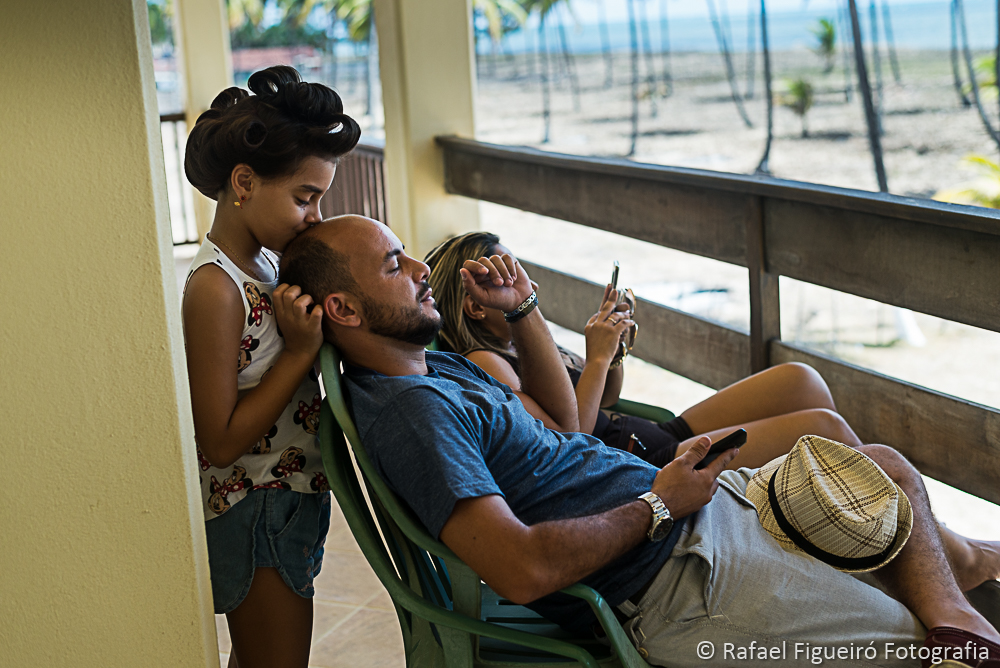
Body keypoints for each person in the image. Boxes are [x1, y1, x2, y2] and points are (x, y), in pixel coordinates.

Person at [280, 216, 1000, 667]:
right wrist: (657, 503)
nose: (416, 270)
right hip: (678, 582)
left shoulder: (434, 365)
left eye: (405, 255)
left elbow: (565, 431)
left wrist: (527, 311)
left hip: (703, 511)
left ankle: (961, 621)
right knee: (909, 642)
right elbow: (522, 570)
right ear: (343, 307)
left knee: (885, 470)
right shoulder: (412, 412)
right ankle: (957, 628)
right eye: (392, 266)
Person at [181, 67, 360, 668]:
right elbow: (221, 439)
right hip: (253, 506)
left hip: (289, 498)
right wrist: (302, 353)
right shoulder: (216, 288)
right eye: (304, 198)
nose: (313, 216)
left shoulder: (264, 267)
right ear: (243, 182)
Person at [425, 231, 861, 469]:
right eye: (511, 277)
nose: (530, 286)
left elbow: (605, 398)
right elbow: (566, 442)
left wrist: (611, 349)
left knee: (800, 380)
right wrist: (595, 357)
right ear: (475, 305)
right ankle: (891, 531)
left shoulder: (521, 341)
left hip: (650, 434)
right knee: (827, 430)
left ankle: (854, 516)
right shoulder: (485, 364)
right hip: (644, 467)